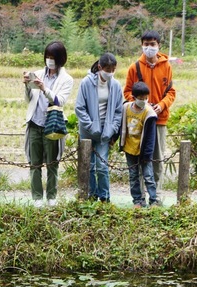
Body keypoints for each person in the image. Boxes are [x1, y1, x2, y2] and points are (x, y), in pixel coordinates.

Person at [123, 30, 176, 203]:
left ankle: (157, 196)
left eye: (152, 44)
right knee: (138, 157)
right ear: (141, 45)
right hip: (138, 119)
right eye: (145, 44)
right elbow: (127, 92)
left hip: (159, 120)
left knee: (157, 158)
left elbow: (171, 92)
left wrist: (160, 106)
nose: (149, 47)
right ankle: (139, 198)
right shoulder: (134, 67)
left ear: (158, 45)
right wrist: (142, 105)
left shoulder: (166, 66)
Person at [23, 41, 73, 208]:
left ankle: (51, 196)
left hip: (53, 124)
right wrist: (27, 86)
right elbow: (29, 99)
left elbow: (60, 100)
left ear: (60, 59)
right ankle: (37, 198)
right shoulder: (38, 74)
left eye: (53, 58)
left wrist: (44, 88)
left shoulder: (67, 79)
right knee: (34, 163)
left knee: (53, 163)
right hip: (35, 122)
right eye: (47, 57)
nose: (49, 60)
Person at [75, 52, 123, 203]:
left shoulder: (115, 85)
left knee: (102, 166)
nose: (110, 73)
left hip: (105, 132)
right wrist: (90, 125)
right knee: (88, 165)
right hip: (87, 131)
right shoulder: (86, 83)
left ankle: (104, 197)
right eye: (107, 69)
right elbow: (80, 108)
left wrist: (113, 128)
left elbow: (118, 110)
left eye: (113, 69)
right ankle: (90, 194)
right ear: (100, 67)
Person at [120, 81, 158, 208]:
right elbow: (121, 126)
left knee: (148, 175)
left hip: (143, 150)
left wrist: (147, 154)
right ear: (134, 97)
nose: (144, 100)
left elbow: (151, 137)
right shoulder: (126, 108)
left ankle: (153, 200)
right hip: (130, 148)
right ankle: (138, 200)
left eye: (146, 98)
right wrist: (115, 139)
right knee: (133, 176)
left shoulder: (149, 113)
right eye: (141, 98)